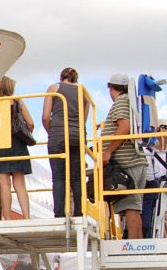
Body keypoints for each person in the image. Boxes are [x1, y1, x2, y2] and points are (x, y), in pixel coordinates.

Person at [100, 73, 148, 239]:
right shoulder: (132, 101)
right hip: (135, 161)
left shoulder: (121, 101)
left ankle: (135, 247)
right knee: (134, 207)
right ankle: (138, 244)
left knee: (130, 207)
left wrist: (108, 151)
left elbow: (124, 127)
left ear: (111, 88)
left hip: (127, 163)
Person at [43, 68, 92, 218]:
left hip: (58, 135)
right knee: (77, 178)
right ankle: (78, 213)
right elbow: (83, 121)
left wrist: (52, 132)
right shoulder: (84, 93)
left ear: (61, 76)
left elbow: (45, 117)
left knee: (59, 177)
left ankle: (59, 214)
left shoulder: (54, 88)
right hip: (77, 137)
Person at [0, 77, 34, 220]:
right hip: (18, 143)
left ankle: (7, 218)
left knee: (4, 184)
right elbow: (30, 123)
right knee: (19, 184)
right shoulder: (18, 101)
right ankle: (26, 217)